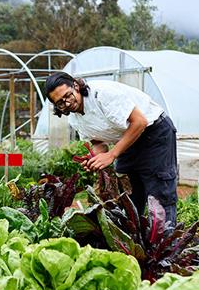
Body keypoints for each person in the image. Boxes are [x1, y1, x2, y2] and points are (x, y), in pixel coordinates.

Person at [45, 71, 179, 227]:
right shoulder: (75, 119)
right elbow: (98, 142)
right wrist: (94, 158)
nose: (67, 103)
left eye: (68, 96)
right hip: (126, 139)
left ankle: (165, 243)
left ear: (75, 85)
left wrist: (112, 154)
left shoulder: (102, 94)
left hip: (153, 133)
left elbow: (140, 122)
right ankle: (136, 243)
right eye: (60, 103)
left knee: (159, 193)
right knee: (127, 195)